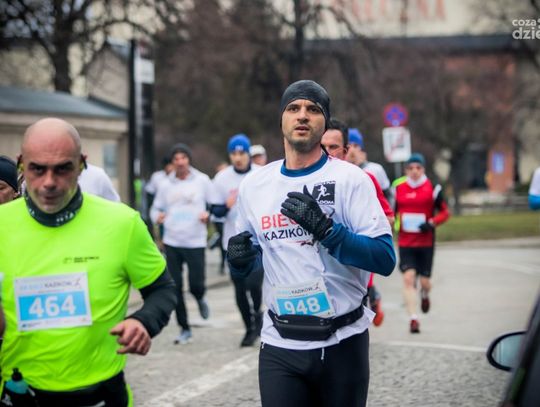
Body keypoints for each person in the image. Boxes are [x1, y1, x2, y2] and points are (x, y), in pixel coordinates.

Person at [227, 80, 395, 407]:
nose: (302, 115)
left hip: (342, 341)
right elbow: (251, 259)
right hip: (280, 343)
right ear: (281, 119)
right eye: (293, 108)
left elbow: (384, 259)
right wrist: (240, 261)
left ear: (324, 122)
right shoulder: (255, 185)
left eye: (313, 109)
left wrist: (328, 231)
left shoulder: (350, 179)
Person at [0, 117, 176, 406]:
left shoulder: (122, 224)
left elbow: (162, 289)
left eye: (62, 168)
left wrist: (143, 322)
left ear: (81, 165)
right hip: (19, 392)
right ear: (21, 165)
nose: (49, 182)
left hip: (100, 395)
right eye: (37, 169)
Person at [322, 117, 394, 327]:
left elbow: (389, 219)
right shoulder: (304, 180)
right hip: (317, 275)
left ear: (345, 151)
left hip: (353, 268)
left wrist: (353, 236)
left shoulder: (364, 179)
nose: (327, 152)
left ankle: (373, 297)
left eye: (333, 147)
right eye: (323, 147)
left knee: (351, 321)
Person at [150, 143, 214, 345]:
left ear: (189, 160)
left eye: (183, 158)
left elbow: (214, 205)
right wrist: (157, 217)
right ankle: (184, 328)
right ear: (172, 162)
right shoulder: (165, 184)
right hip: (173, 241)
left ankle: (200, 297)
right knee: (175, 287)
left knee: (196, 284)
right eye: (176, 159)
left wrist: (208, 215)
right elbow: (155, 208)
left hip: (195, 241)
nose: (180, 162)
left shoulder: (202, 180)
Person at [211, 134, 263, 347]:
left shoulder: (260, 174)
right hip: (231, 242)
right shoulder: (221, 179)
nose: (238, 157)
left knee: (254, 284)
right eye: (234, 153)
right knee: (240, 289)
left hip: (257, 241)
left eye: (242, 153)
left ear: (248, 154)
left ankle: (258, 314)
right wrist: (226, 205)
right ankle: (248, 328)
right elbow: (215, 212)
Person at [393, 152, 450, 334]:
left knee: (424, 282)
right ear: (406, 170)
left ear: (423, 169)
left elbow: (445, 212)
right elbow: (391, 212)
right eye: (410, 168)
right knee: (408, 279)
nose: (414, 171)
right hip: (406, 242)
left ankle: (425, 293)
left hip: (425, 242)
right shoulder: (398, 189)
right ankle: (413, 319)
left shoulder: (433, 188)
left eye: (418, 167)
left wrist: (432, 223)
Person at [346, 128, 392, 200]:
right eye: (349, 146)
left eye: (355, 146)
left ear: (361, 147)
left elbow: (388, 196)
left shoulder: (376, 169)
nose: (352, 150)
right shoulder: (341, 171)